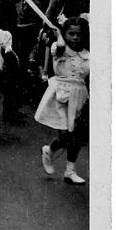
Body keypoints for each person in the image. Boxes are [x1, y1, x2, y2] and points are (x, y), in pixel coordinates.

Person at [35, 16, 90, 185]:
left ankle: (70, 171)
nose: (74, 37)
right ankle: (49, 150)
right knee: (66, 135)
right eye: (70, 34)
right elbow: (59, 46)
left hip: (79, 95)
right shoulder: (60, 49)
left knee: (77, 136)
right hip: (62, 96)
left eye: (78, 34)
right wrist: (58, 33)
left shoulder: (88, 55)